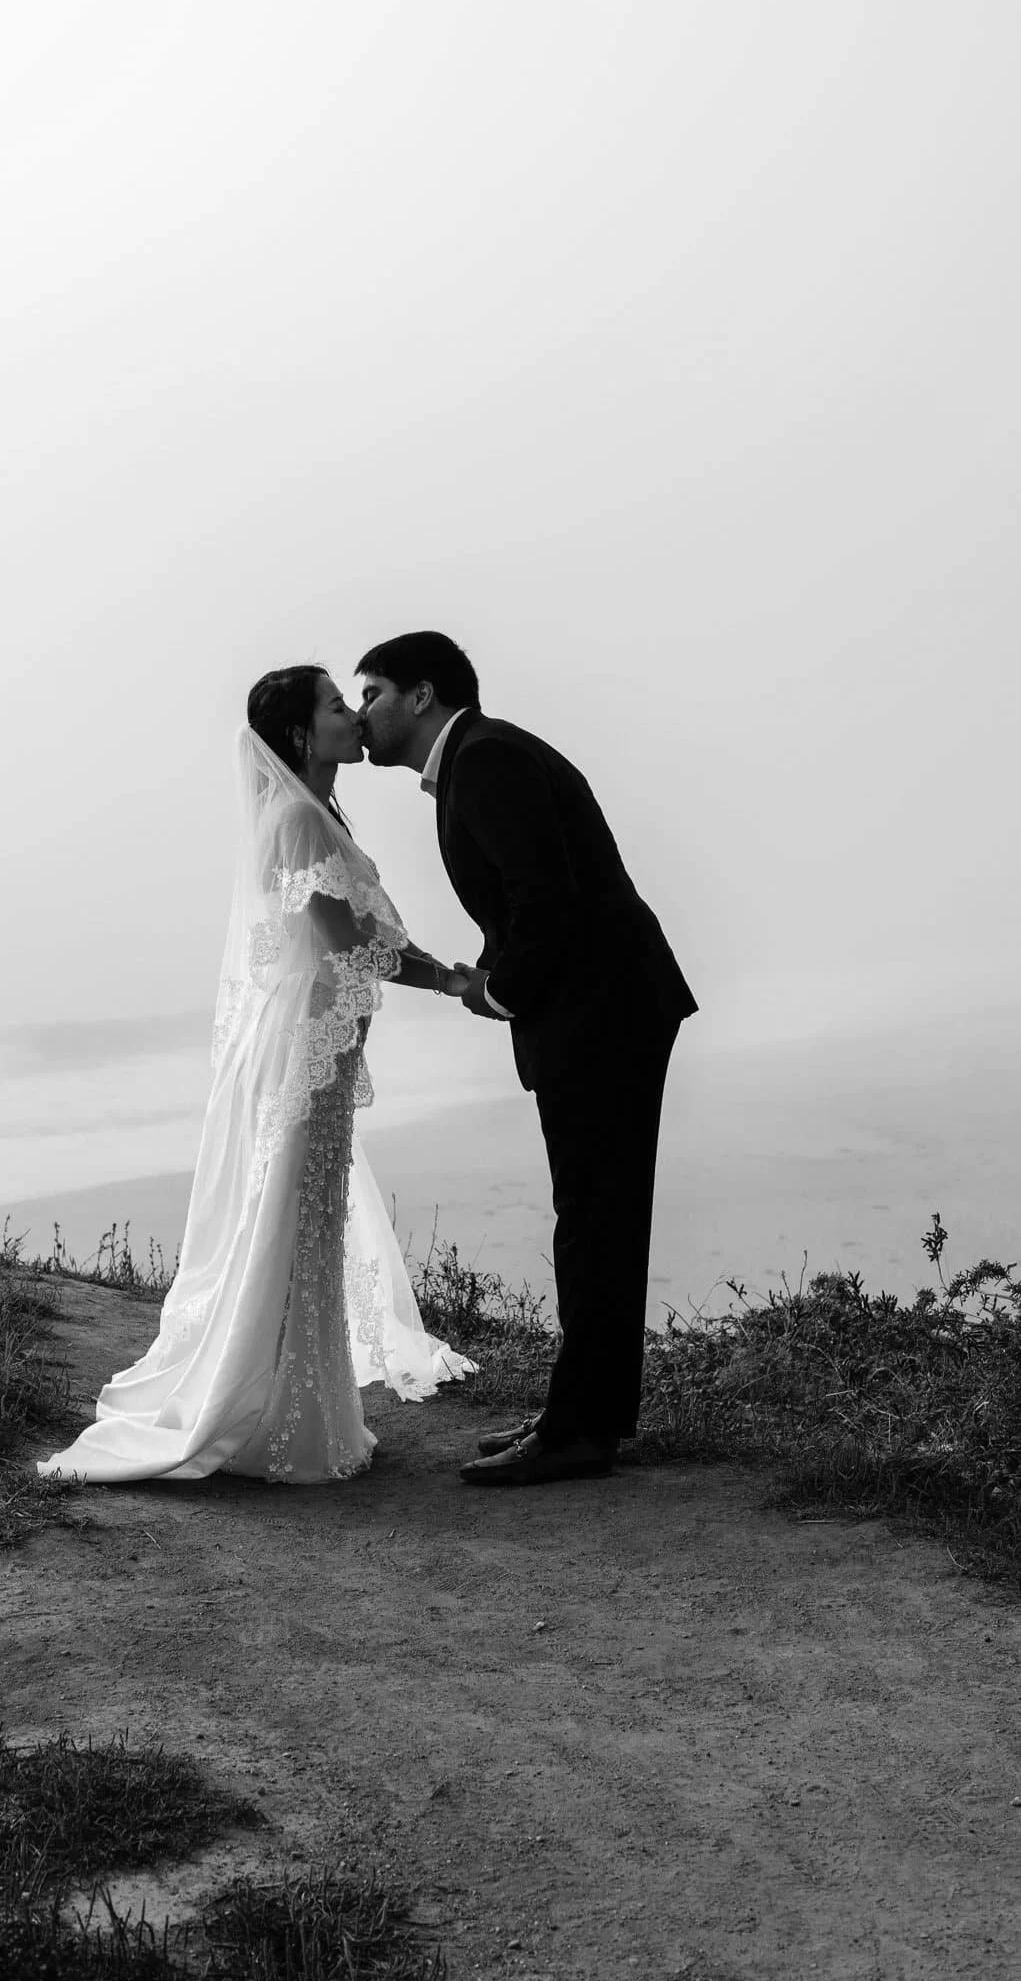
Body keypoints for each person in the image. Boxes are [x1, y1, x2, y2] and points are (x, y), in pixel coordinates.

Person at [37, 666, 475, 1486]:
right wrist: (451, 981)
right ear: (302, 734)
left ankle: (292, 1397)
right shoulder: (299, 820)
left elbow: (350, 939)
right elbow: (351, 945)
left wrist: (436, 971)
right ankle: (266, 1407)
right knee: (294, 1211)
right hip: (307, 1040)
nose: (354, 716)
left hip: (318, 1037)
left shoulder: (311, 812)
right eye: (338, 705)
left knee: (306, 1210)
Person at [355, 632, 698, 1485]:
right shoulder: (477, 757)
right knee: (594, 1214)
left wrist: (500, 991)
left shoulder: (486, 758)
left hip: (602, 1010)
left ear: (421, 695)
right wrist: (492, 977)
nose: (362, 715)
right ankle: (582, 1415)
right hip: (597, 1006)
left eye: (371, 694)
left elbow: (546, 897)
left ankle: (580, 1432)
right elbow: (525, 898)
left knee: (594, 1216)